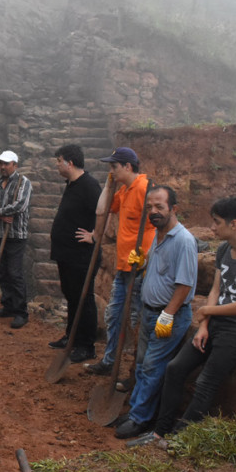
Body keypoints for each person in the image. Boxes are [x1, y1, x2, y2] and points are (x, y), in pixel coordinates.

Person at [130, 197, 236, 448]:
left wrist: (207, 310)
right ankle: (160, 432)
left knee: (206, 381)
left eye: (217, 223)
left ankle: (180, 437)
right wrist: (205, 324)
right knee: (175, 369)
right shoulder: (224, 250)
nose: (213, 228)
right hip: (216, 322)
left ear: (234, 224)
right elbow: (216, 289)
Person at [114, 185, 198, 439]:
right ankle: (136, 410)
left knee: (152, 366)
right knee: (141, 364)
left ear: (174, 209)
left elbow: (185, 284)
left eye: (159, 207)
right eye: (150, 207)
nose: (153, 211)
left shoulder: (183, 241)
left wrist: (168, 314)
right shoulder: (158, 236)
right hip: (150, 312)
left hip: (168, 315)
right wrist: (142, 264)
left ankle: (141, 419)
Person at [83, 146, 156, 375]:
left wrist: (148, 257)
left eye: (114, 167)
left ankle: (139, 370)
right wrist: (108, 184)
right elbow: (101, 209)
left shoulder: (145, 188)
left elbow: (162, 222)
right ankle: (109, 361)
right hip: (124, 267)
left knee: (137, 320)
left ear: (128, 166)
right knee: (114, 315)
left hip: (142, 268)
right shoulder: (124, 190)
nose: (111, 171)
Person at [49, 144, 103, 362]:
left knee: (84, 297)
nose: (57, 165)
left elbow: (103, 212)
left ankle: (86, 345)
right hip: (67, 253)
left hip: (82, 255)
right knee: (71, 296)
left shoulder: (89, 185)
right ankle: (71, 336)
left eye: (58, 161)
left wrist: (94, 235)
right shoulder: (72, 184)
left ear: (69, 163)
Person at [0, 150, 32, 328]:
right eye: (1, 163)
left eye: (6, 163)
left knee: (15, 272)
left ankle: (21, 312)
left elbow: (21, 205)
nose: (2, 166)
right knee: (3, 271)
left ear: (15, 165)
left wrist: (0, 212)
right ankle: (8, 306)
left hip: (16, 235)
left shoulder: (23, 182)